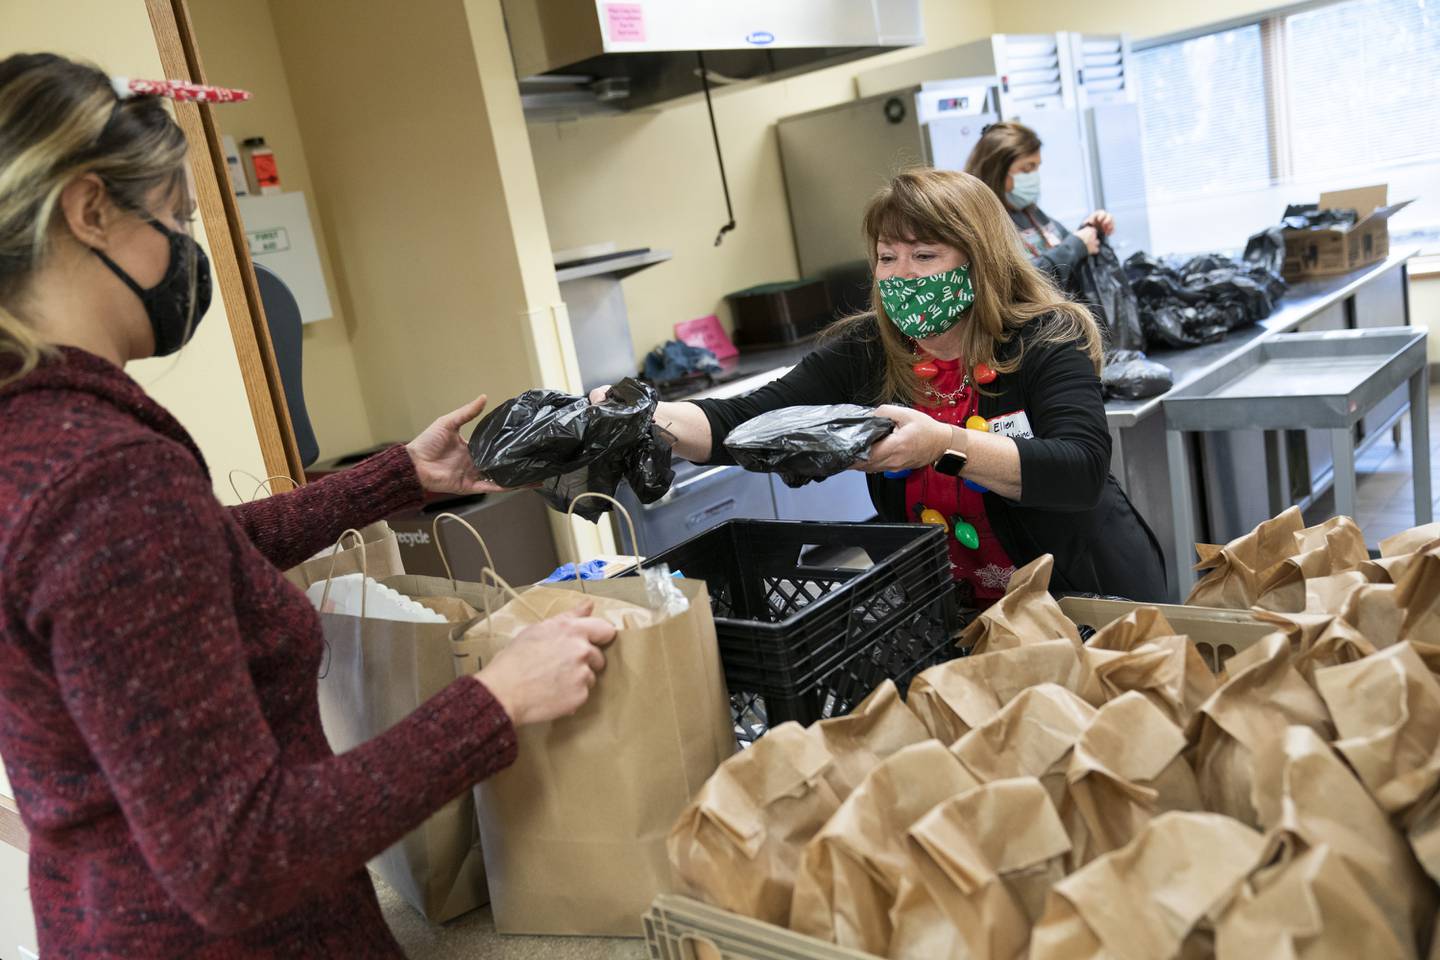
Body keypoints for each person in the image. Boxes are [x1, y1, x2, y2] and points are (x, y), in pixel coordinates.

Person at [0, 53, 616, 957]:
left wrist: (398, 477)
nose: (187, 250)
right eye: (175, 216)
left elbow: (187, 561)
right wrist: (496, 700)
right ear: (90, 210)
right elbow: (239, 858)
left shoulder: (36, 439)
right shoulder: (102, 479)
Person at [600, 169, 1165, 605]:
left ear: (981, 261)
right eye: (886, 258)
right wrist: (637, 419)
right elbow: (740, 421)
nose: (901, 275)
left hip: (1083, 601)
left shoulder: (1044, 338)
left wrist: (944, 444)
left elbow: (1079, 469)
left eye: (924, 255)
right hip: (958, 607)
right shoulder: (869, 349)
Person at [964, 121, 1116, 294]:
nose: (1034, 176)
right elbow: (1015, 283)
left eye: (1037, 167)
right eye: (1027, 168)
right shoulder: (980, 224)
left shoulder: (1030, 212)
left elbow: (1065, 245)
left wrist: (1090, 229)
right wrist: (1076, 246)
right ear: (996, 171)